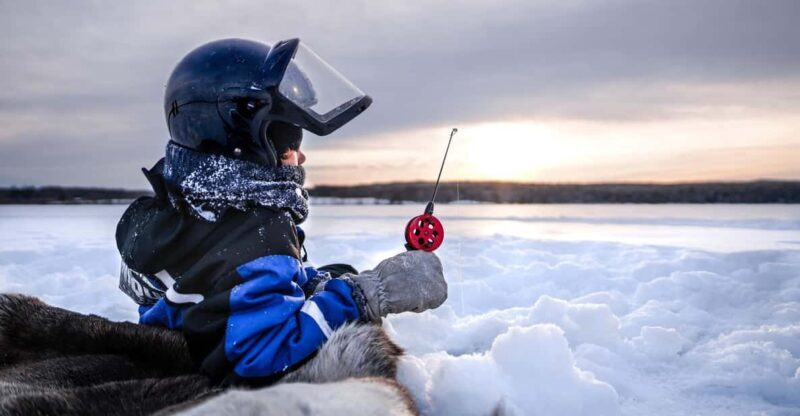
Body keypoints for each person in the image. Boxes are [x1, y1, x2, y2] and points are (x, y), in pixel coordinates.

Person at [114, 38, 448, 386]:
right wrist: (369, 294)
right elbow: (265, 357)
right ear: (248, 146)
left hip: (182, 344)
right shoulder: (259, 233)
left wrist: (323, 284)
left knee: (338, 272)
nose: (300, 157)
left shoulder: (181, 209)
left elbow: (225, 281)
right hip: (229, 377)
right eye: (289, 145)